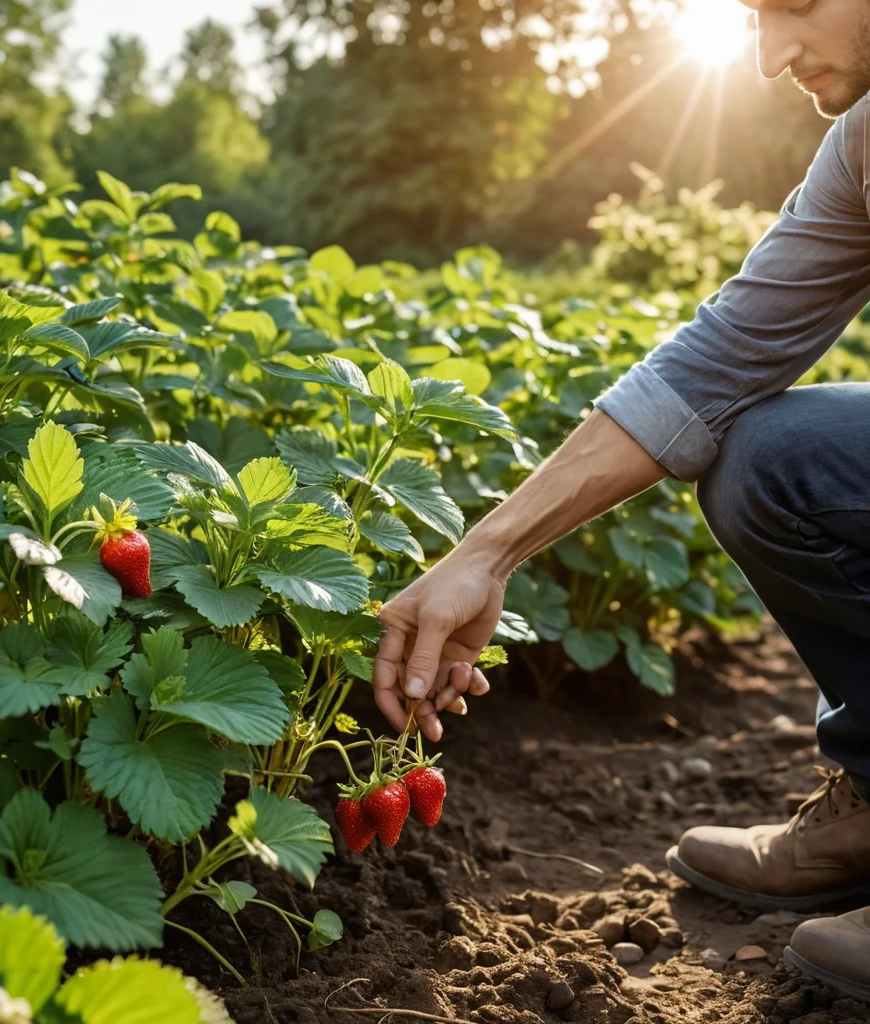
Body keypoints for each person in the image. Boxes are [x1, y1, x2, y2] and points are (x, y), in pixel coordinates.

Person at [373, 0, 870, 1003]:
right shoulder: (863, 142)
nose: (769, 57)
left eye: (797, 5)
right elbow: (717, 359)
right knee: (771, 458)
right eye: (752, 15)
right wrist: (487, 553)